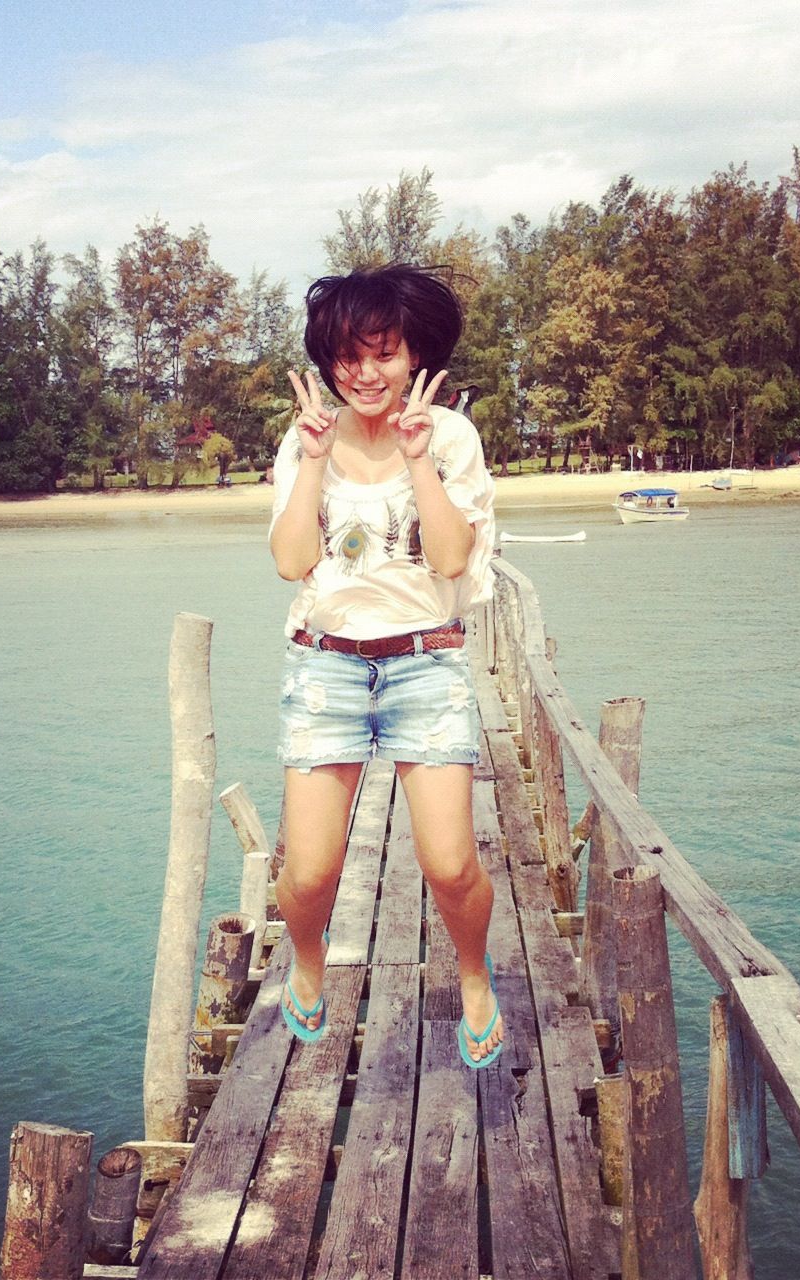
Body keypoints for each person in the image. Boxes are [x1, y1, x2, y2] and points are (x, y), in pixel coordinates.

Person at [268, 264, 503, 1068]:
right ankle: (308, 960)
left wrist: (418, 459)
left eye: (384, 353)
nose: (366, 373)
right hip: (326, 667)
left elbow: (450, 557)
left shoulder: (451, 436)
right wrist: (311, 461)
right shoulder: (306, 438)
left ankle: (473, 972)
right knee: (309, 874)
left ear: (414, 357)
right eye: (348, 356)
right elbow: (291, 562)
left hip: (424, 662)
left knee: (451, 864)